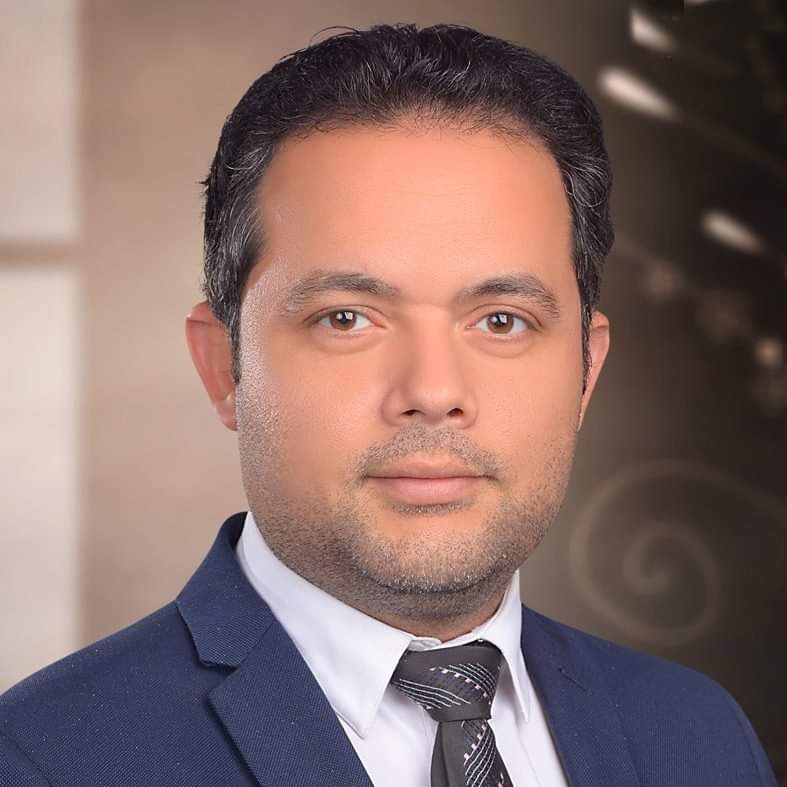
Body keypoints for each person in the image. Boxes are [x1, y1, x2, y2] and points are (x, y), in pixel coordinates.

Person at [0, 22, 777, 787]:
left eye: (501, 321)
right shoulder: (44, 762)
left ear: (585, 368)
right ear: (223, 365)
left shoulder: (696, 736)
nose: (432, 392)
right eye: (346, 318)